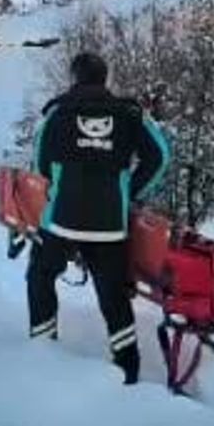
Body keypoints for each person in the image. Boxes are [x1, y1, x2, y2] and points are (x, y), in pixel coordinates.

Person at [27, 52, 170, 385]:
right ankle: (127, 368)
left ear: (74, 77)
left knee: (41, 274)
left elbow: (40, 164)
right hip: (110, 224)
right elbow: (159, 156)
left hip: (62, 219)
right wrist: (130, 190)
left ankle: (42, 347)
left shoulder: (57, 113)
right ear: (104, 78)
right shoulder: (130, 114)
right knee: (114, 296)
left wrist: (61, 185)